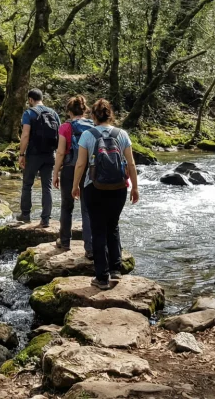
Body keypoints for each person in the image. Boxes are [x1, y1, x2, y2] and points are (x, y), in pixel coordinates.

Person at [71, 99, 140, 290]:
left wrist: (75, 185)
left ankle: (102, 278)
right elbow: (131, 163)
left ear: (93, 115)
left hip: (94, 188)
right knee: (113, 226)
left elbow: (80, 164)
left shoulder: (87, 135)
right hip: (118, 187)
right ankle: (116, 270)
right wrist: (135, 187)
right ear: (111, 114)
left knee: (98, 230)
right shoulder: (122, 134)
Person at [53, 95, 95, 256]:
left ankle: (64, 242)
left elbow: (61, 152)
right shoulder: (93, 126)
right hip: (89, 170)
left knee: (67, 206)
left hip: (70, 168)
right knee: (87, 209)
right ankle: (90, 248)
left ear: (69, 111)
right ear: (85, 110)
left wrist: (56, 173)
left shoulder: (65, 127)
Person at [17, 88, 61, 227]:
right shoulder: (53, 113)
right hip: (50, 154)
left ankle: (25, 215)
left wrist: (21, 154)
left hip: (34, 154)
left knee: (27, 184)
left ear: (30, 100)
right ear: (42, 98)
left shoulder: (29, 113)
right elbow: (60, 135)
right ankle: (45, 219)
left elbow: (25, 135)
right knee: (47, 187)